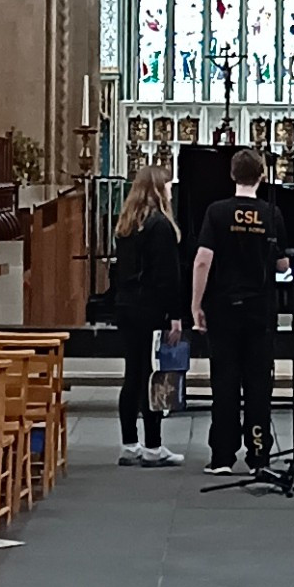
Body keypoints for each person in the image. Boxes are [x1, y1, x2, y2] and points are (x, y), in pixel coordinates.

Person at [193, 142, 281, 479]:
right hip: (260, 310)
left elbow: (203, 260)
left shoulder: (216, 211)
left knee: (225, 382)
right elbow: (283, 262)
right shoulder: (272, 213)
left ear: (232, 175)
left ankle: (222, 456)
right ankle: (259, 454)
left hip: (224, 308)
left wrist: (195, 304)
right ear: (261, 175)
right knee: (258, 384)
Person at [109, 167, 185, 461]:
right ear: (157, 189)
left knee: (132, 376)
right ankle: (153, 446)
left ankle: (130, 444)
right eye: (167, 185)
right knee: (153, 376)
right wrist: (175, 315)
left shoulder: (126, 225)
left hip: (126, 306)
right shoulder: (161, 226)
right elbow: (168, 276)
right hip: (151, 308)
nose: (170, 190)